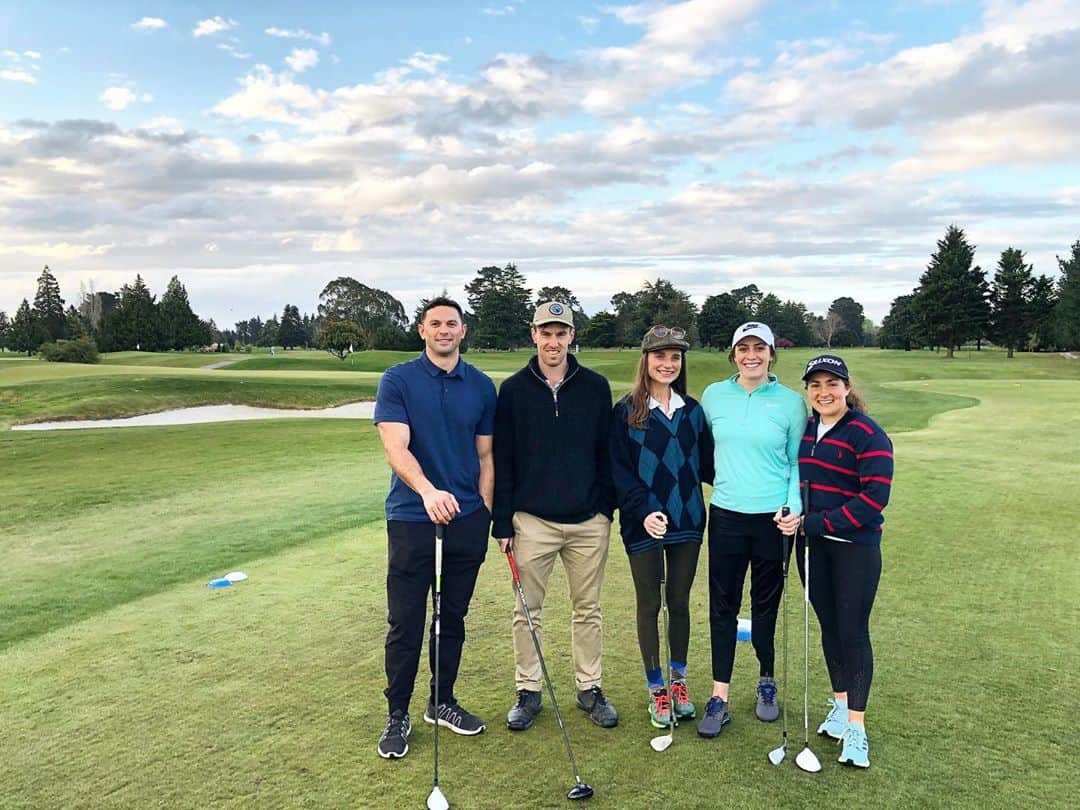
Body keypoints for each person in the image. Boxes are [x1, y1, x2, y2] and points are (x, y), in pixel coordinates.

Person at [373, 297, 497, 759]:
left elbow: (486, 456)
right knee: (406, 621)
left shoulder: (482, 386)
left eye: (452, 324)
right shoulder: (398, 380)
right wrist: (427, 491)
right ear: (422, 331)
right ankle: (397, 715)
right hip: (411, 517)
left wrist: (483, 511)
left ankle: (441, 702)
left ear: (463, 330)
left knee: (452, 620)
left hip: (466, 521)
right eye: (435, 323)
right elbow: (396, 448)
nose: (444, 330)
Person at [494, 301, 618, 731]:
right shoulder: (512, 391)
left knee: (588, 609)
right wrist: (502, 520)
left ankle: (589, 688)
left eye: (561, 333)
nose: (553, 341)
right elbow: (503, 460)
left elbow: (607, 453)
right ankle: (528, 692)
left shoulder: (596, 387)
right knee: (527, 610)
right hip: (532, 521)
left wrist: (605, 508)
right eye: (546, 333)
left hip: (588, 521)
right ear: (534, 335)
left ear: (571, 336)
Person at [697, 321, 805, 738]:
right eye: (744, 348)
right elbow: (703, 452)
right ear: (733, 354)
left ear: (772, 354)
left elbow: (796, 462)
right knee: (722, 606)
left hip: (774, 521)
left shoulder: (791, 403)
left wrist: (793, 508)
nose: (751, 355)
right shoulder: (714, 396)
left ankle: (766, 680)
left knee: (765, 606)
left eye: (760, 348)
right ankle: (719, 696)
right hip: (725, 515)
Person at [786, 354, 893, 768]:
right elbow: (793, 479)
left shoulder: (868, 433)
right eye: (815, 385)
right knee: (829, 626)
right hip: (812, 546)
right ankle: (839, 705)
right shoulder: (807, 428)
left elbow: (873, 499)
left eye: (832, 384)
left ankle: (857, 728)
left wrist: (817, 522)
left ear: (847, 388)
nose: (823, 392)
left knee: (852, 631)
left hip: (854, 549)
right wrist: (792, 514)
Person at [610, 326, 714, 728]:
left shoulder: (693, 411)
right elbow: (619, 472)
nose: (668, 364)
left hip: (688, 517)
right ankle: (656, 687)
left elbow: (707, 467)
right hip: (643, 524)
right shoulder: (626, 411)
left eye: (675, 357)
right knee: (649, 604)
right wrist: (644, 511)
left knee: (680, 602)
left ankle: (679, 681)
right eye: (660, 357)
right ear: (646, 360)